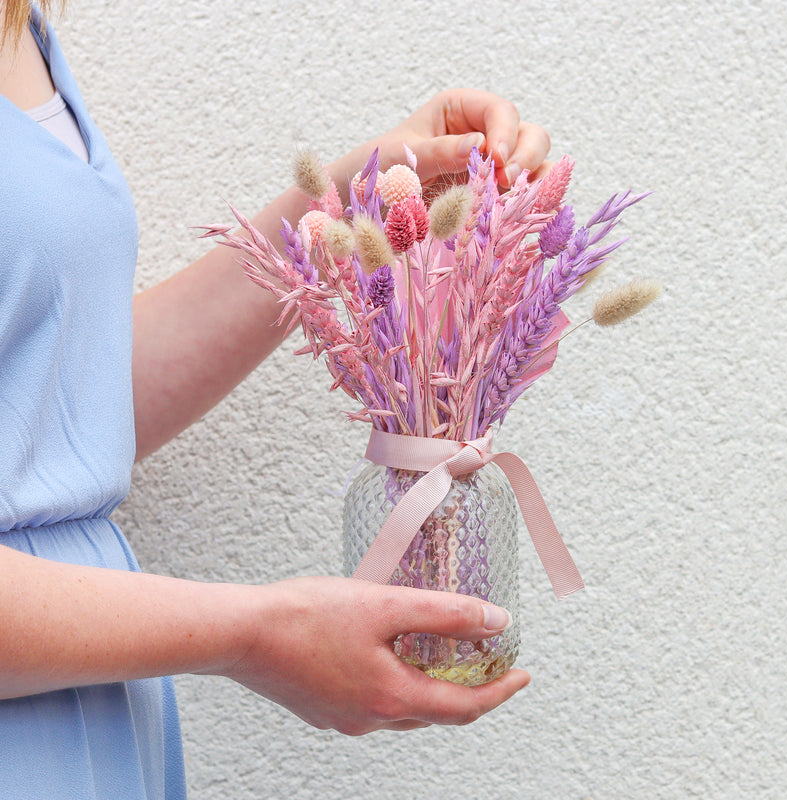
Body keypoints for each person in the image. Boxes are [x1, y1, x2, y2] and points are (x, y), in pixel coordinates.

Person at [1, 1, 552, 796]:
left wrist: (343, 207)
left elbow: (57, 409)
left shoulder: (25, 23)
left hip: (90, 729)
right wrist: (257, 634)